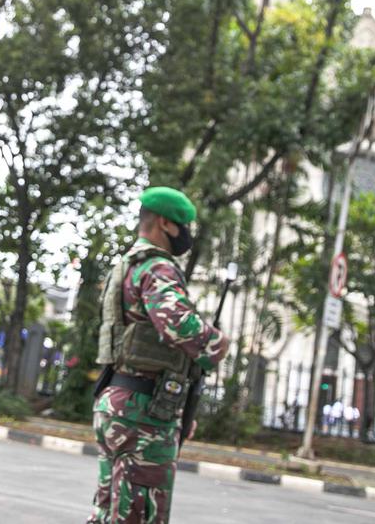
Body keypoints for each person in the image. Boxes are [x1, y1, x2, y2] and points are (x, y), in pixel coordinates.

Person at [88, 187, 231, 524]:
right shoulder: (157, 267)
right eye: (184, 225)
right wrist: (218, 344)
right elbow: (179, 325)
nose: (187, 234)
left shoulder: (128, 265)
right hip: (144, 412)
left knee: (109, 513)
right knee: (139, 516)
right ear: (165, 223)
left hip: (118, 402)